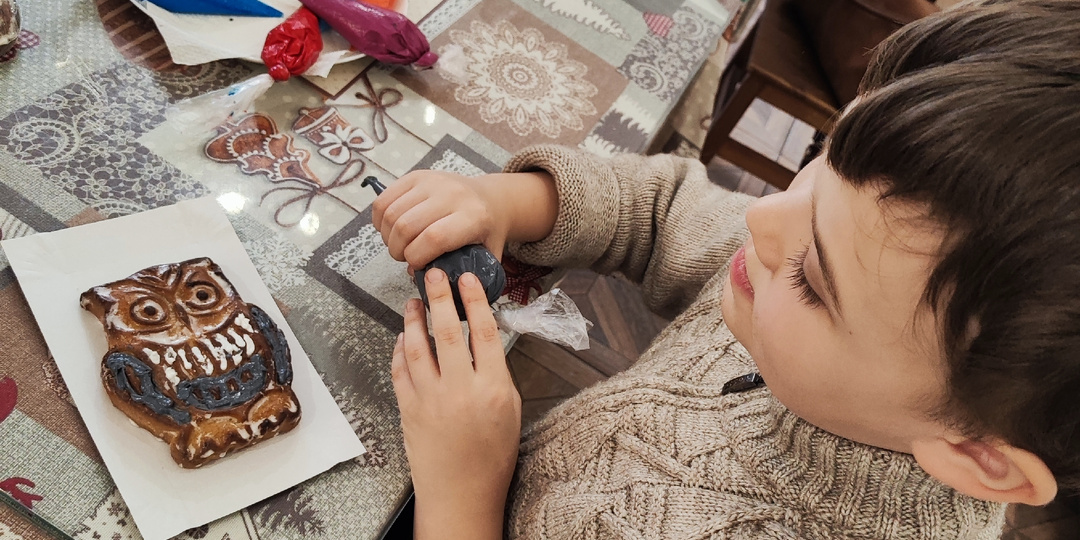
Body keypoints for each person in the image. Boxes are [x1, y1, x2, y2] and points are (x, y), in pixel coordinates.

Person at [371, 0, 1080, 537]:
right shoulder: (834, 275)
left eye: (813, 280)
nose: (763, 221)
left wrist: (463, 493)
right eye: (819, 162)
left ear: (981, 460)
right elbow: (662, 209)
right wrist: (504, 203)